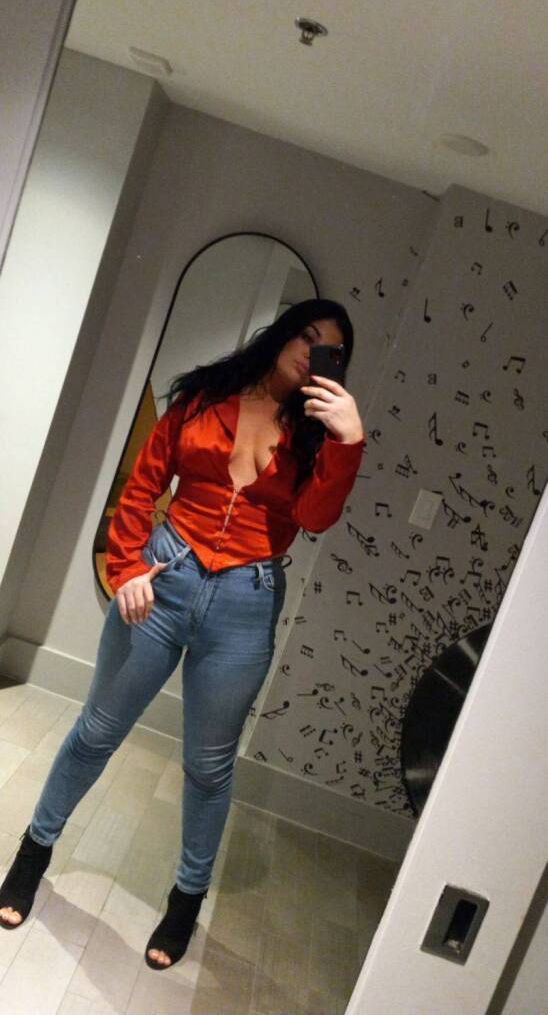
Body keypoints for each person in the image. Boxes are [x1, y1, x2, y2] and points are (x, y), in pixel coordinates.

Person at [0, 297, 365, 970]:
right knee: (96, 731)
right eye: (306, 335)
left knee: (208, 766)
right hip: (166, 578)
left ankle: (186, 899)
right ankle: (33, 853)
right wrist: (126, 569)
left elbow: (315, 519)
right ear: (284, 335)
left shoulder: (318, 436)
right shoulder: (204, 395)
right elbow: (143, 484)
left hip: (246, 603)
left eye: (329, 349)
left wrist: (347, 442)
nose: (311, 351)